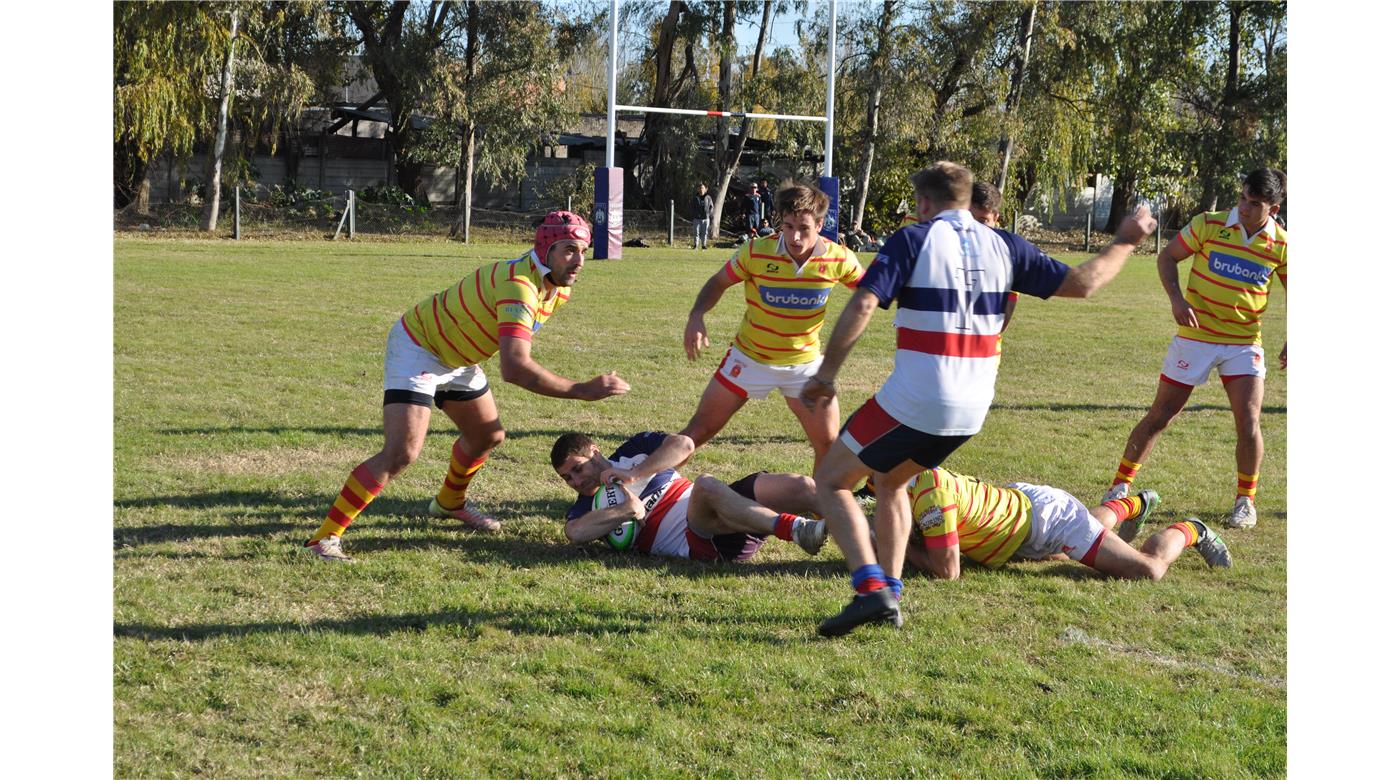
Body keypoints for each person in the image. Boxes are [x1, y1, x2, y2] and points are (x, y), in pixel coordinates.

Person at [798, 161, 1157, 636]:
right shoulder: (1005, 245)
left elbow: (864, 302)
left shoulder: (915, 238)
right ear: (968, 200)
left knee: (830, 479)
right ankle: (892, 592)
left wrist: (826, 376)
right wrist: (1126, 240)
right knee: (889, 482)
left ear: (924, 204)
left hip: (918, 399)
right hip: (972, 409)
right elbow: (1085, 282)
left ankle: (870, 591)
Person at [301, 212, 631, 562]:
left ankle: (449, 503)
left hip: (457, 358)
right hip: (420, 347)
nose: (579, 260)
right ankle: (323, 539)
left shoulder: (556, 288)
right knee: (402, 452)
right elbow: (515, 367)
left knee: (487, 435)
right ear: (545, 248)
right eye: (569, 250)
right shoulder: (520, 286)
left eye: (583, 250)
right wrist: (581, 389)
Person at [638, 180, 865, 489]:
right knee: (699, 430)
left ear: (821, 224)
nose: (795, 237)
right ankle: (643, 486)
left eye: (804, 228)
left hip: (805, 366)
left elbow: (871, 292)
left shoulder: (839, 259)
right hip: (749, 358)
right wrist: (696, 315)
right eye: (788, 226)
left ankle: (820, 512)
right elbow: (718, 282)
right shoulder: (757, 251)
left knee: (827, 444)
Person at [1102, 169, 1287, 530]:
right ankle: (1120, 486)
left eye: (1255, 204)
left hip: (1243, 342)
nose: (1245, 208)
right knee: (1162, 413)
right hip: (1195, 336)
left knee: (1248, 423)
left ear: (1274, 208)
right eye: (1242, 198)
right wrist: (1176, 300)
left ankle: (1245, 501)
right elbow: (1167, 258)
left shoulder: (1282, 244)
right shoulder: (1209, 224)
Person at [894, 468, 1230, 583]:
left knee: (1148, 570)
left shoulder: (929, 494)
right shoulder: (909, 483)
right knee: (1075, 543)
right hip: (1026, 518)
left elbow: (947, 570)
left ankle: (1191, 529)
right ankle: (1133, 505)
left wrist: (895, 547)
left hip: (1047, 520)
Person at [550, 431, 828, 560]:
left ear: (595, 452)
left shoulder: (633, 450)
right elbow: (575, 532)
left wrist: (635, 473)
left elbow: (684, 445)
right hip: (702, 540)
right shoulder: (587, 505)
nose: (575, 481)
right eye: (567, 478)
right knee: (705, 486)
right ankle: (795, 529)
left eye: (577, 468)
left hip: (724, 505)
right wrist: (627, 510)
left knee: (802, 486)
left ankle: (867, 543)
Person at [970, 181, 1019, 336]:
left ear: (996, 217)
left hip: (985, 351)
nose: (975, 227)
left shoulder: (1006, 254)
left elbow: (1005, 316)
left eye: (982, 221)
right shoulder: (948, 247)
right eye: (970, 218)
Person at [693, 183, 715, 250]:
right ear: (697, 189)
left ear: (705, 189)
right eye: (700, 188)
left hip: (706, 218)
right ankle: (696, 245)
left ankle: (703, 245)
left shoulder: (708, 197)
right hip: (697, 218)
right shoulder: (695, 197)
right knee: (696, 232)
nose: (701, 189)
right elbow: (692, 207)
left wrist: (708, 214)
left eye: (702, 188)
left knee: (704, 232)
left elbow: (711, 207)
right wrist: (694, 214)